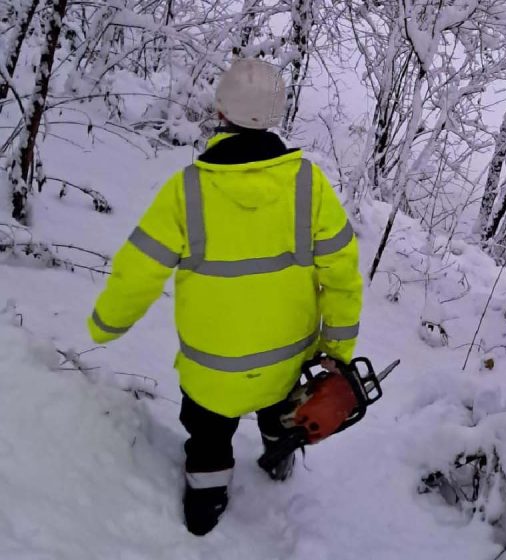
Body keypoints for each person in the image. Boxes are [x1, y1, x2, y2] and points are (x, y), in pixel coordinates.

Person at [87, 59, 363, 536]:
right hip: (284, 366)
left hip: (210, 372)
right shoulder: (309, 185)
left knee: (209, 439)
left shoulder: (186, 190)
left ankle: (205, 503)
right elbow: (342, 277)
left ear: (220, 112)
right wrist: (337, 350)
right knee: (282, 415)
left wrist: (106, 325)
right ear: (275, 115)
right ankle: (278, 461)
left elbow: (139, 272)